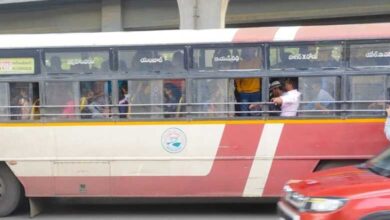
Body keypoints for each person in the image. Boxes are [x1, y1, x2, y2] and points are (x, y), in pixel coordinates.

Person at [235, 48, 261, 116]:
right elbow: (237, 78)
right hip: (244, 93)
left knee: (256, 114)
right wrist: (239, 89)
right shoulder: (241, 63)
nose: (248, 52)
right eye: (247, 50)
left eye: (250, 50)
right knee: (244, 114)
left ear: (254, 51)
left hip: (255, 91)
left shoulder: (258, 60)